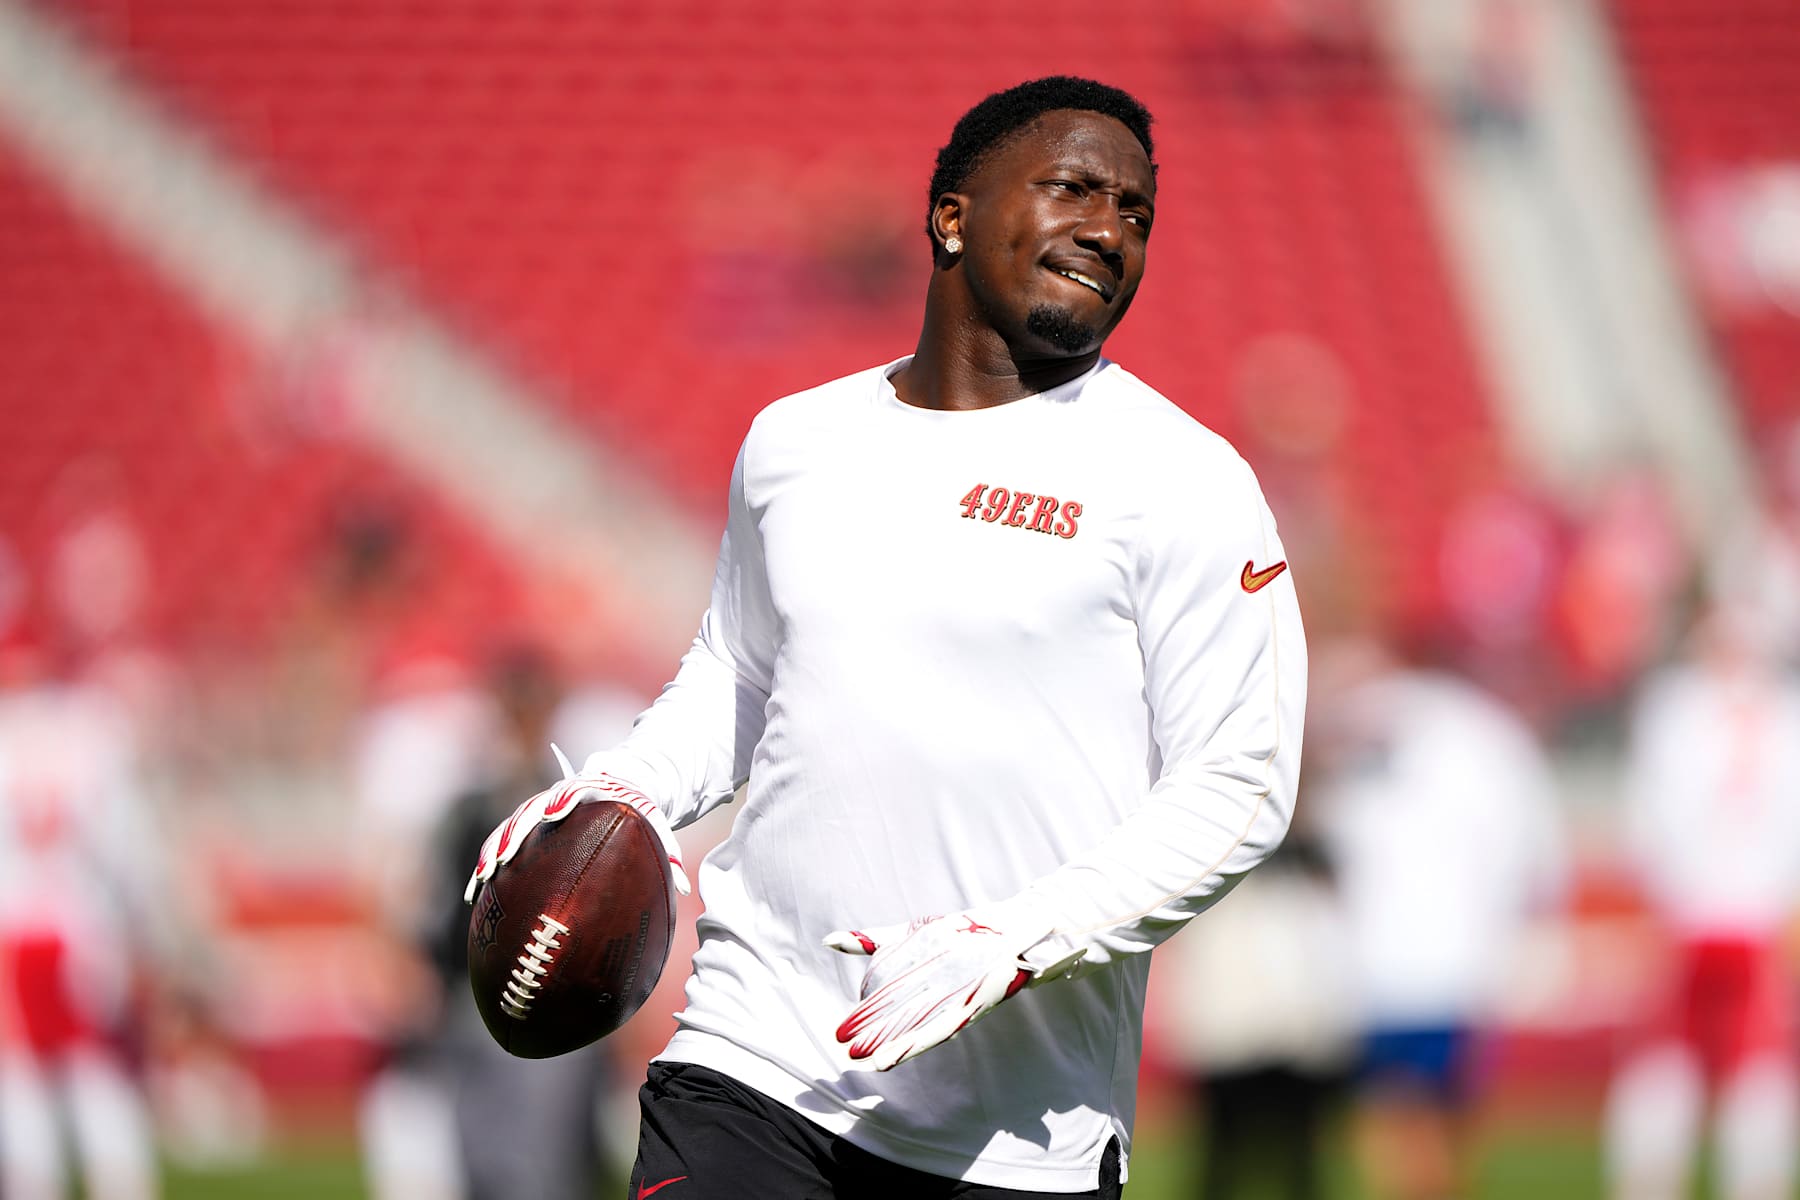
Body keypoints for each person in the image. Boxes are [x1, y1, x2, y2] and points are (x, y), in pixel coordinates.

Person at [465, 76, 1307, 1198]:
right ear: (950, 214)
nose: (1109, 231)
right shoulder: (793, 444)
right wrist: (625, 787)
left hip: (1015, 1137)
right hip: (751, 1061)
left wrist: (1019, 938)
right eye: (1076, 190)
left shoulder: (1186, 481)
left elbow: (1242, 781)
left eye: (1136, 213)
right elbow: (741, 673)